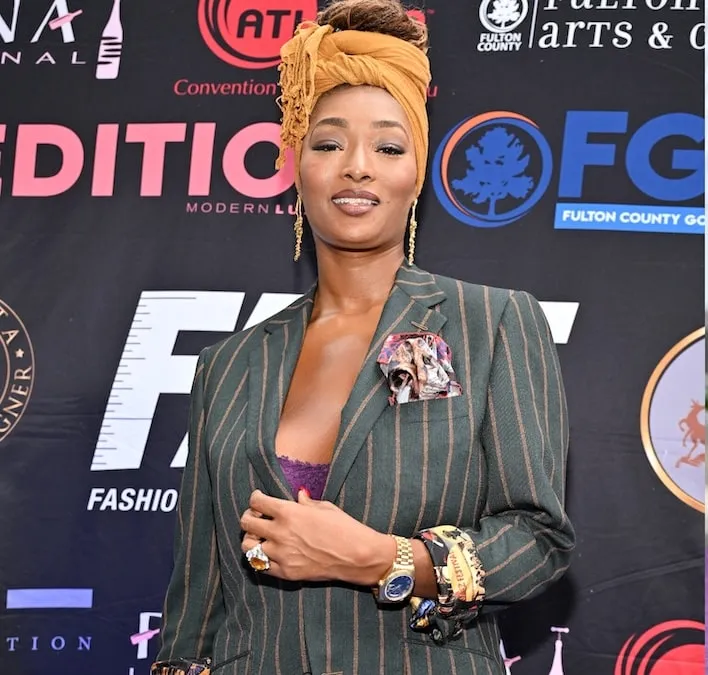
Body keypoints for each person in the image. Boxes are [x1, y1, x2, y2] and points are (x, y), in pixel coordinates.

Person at [154, 2, 574, 673]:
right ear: (297, 166)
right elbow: (197, 598)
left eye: (387, 145)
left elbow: (539, 541)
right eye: (328, 143)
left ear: (417, 170)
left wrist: (380, 558)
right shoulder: (227, 365)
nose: (357, 167)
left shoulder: (488, 325)